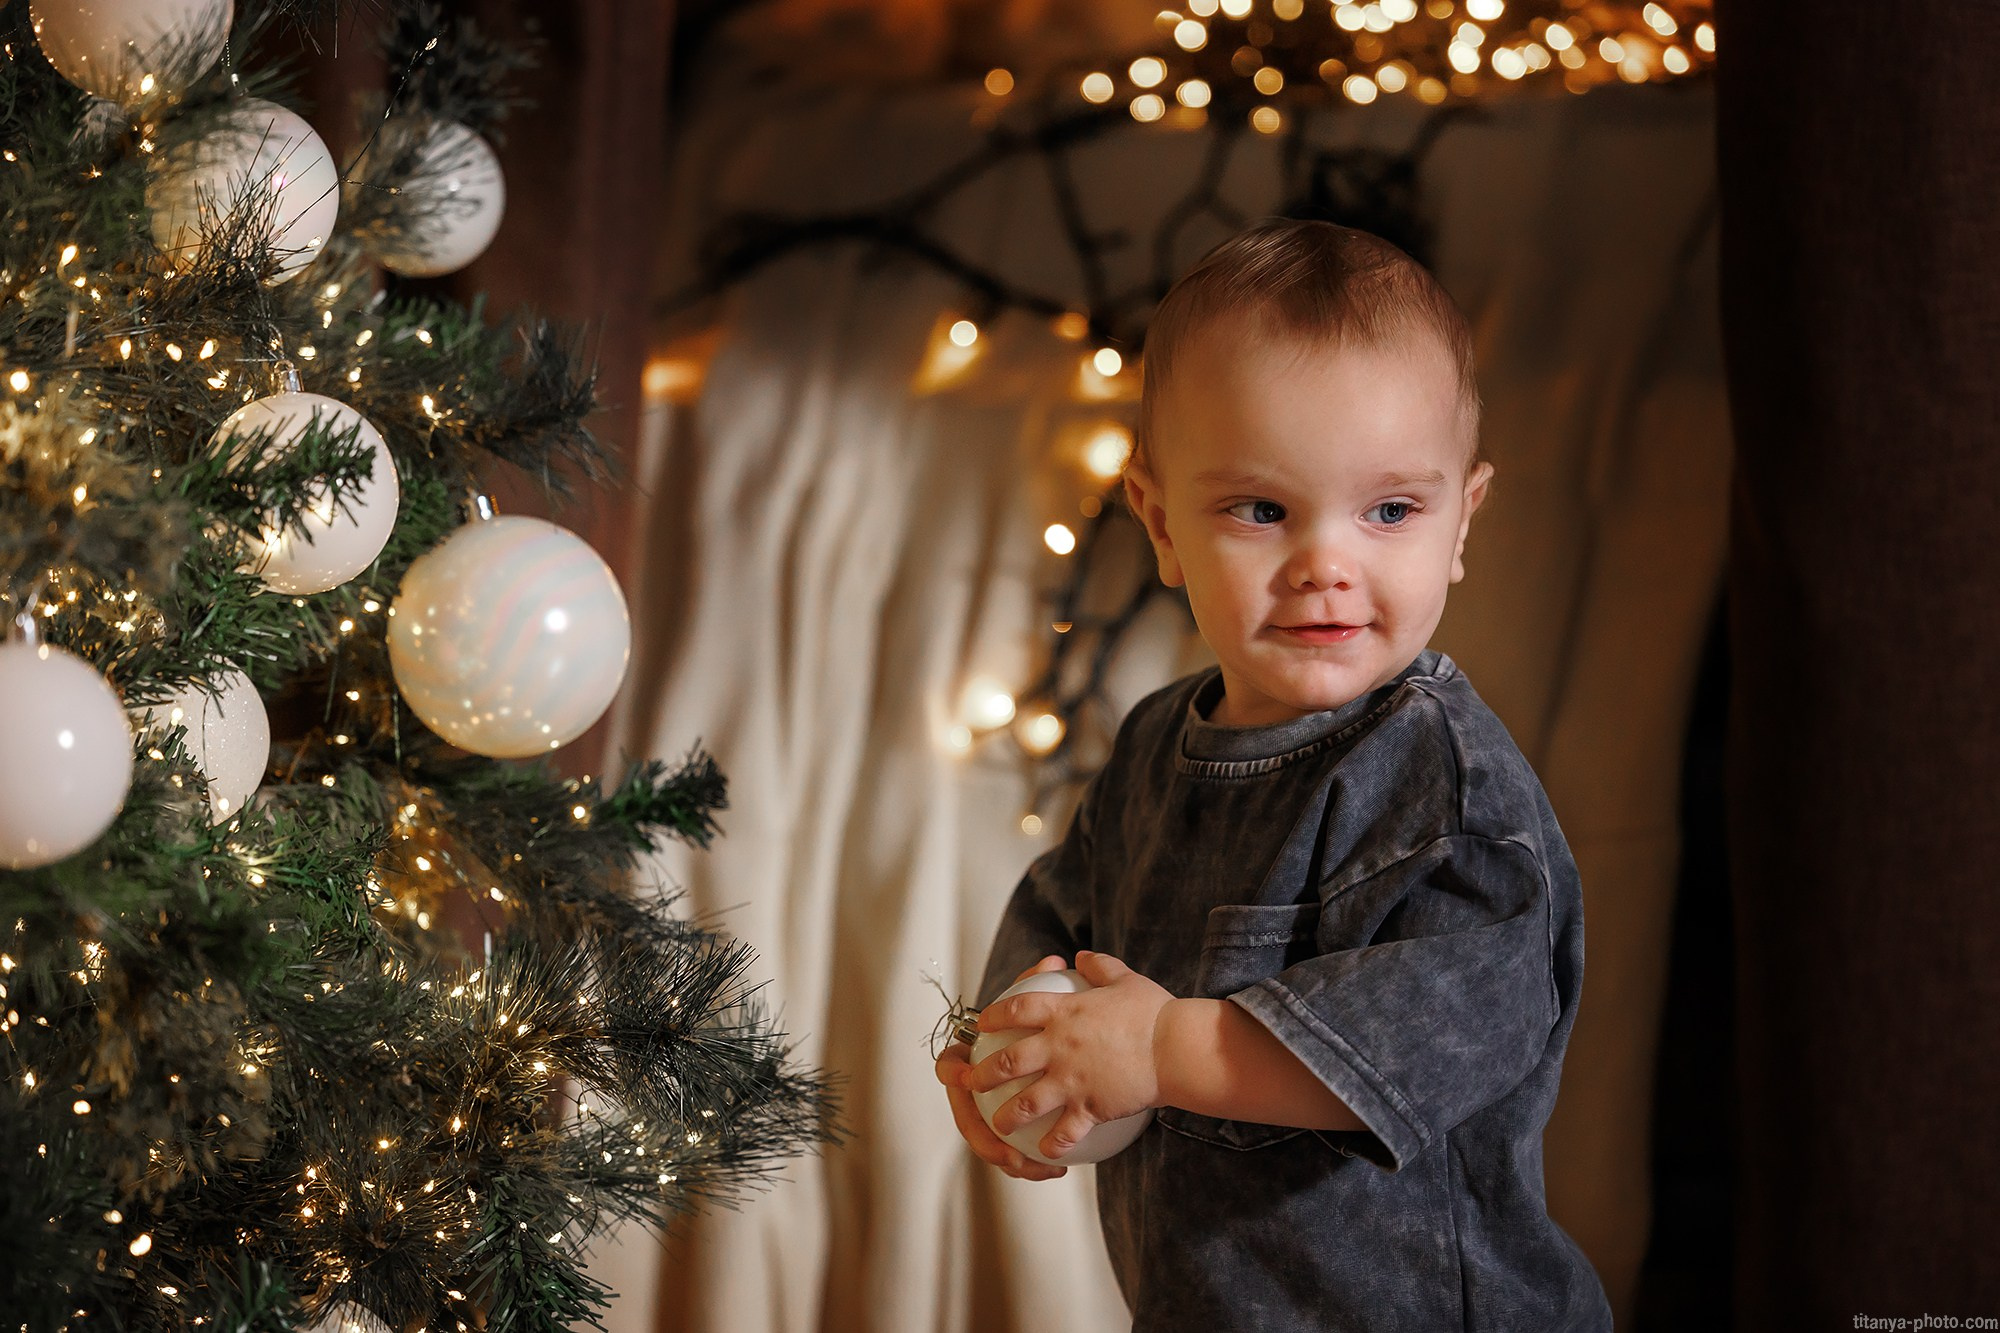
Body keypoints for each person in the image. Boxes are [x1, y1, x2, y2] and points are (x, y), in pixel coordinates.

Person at [934, 219, 1613, 1331]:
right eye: (1260, 510)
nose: (1323, 566)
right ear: (1158, 523)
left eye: (1388, 510)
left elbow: (1441, 1029)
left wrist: (1159, 1048)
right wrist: (1014, 1054)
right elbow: (1063, 909)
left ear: (1458, 522)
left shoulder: (1439, 781)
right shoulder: (1159, 744)